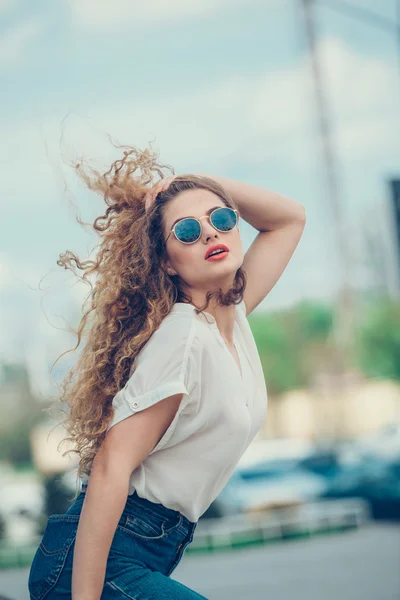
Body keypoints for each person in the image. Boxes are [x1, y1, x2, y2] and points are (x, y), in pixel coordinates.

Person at [28, 144, 306, 599]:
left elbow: (289, 217)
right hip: (99, 559)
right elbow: (111, 467)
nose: (210, 235)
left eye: (221, 220)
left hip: (149, 548)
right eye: (188, 231)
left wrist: (195, 183)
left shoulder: (229, 320)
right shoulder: (184, 337)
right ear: (165, 262)